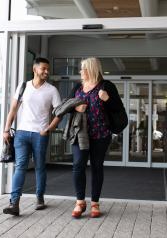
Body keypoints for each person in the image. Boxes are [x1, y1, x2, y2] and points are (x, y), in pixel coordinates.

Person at [2, 57, 61, 216]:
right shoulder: (23, 86)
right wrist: (6, 130)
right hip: (21, 133)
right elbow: (13, 109)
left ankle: (40, 197)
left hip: (40, 134)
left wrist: (48, 129)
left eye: (48, 69)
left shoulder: (52, 90)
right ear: (35, 69)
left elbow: (59, 113)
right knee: (20, 166)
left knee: (40, 166)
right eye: (43, 69)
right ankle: (14, 203)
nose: (46, 72)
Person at [67, 57, 123, 218]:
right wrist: (76, 106)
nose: (80, 72)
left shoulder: (107, 86)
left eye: (82, 68)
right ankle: (79, 202)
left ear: (91, 69)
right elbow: (67, 105)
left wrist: (108, 99)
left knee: (97, 166)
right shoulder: (78, 87)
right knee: (78, 165)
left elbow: (118, 108)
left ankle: (95, 203)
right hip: (80, 133)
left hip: (101, 134)